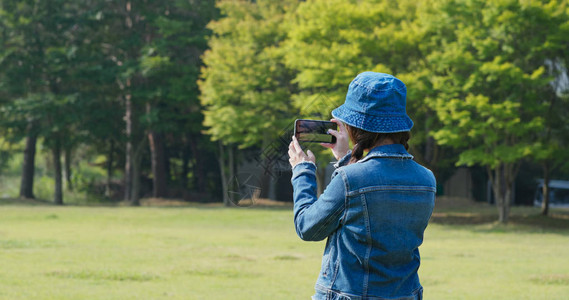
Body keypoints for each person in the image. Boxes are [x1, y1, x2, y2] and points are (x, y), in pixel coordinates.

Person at [288, 72, 436, 300]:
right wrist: (346, 158)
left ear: (357, 126)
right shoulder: (427, 179)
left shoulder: (350, 179)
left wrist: (302, 170)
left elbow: (308, 227)